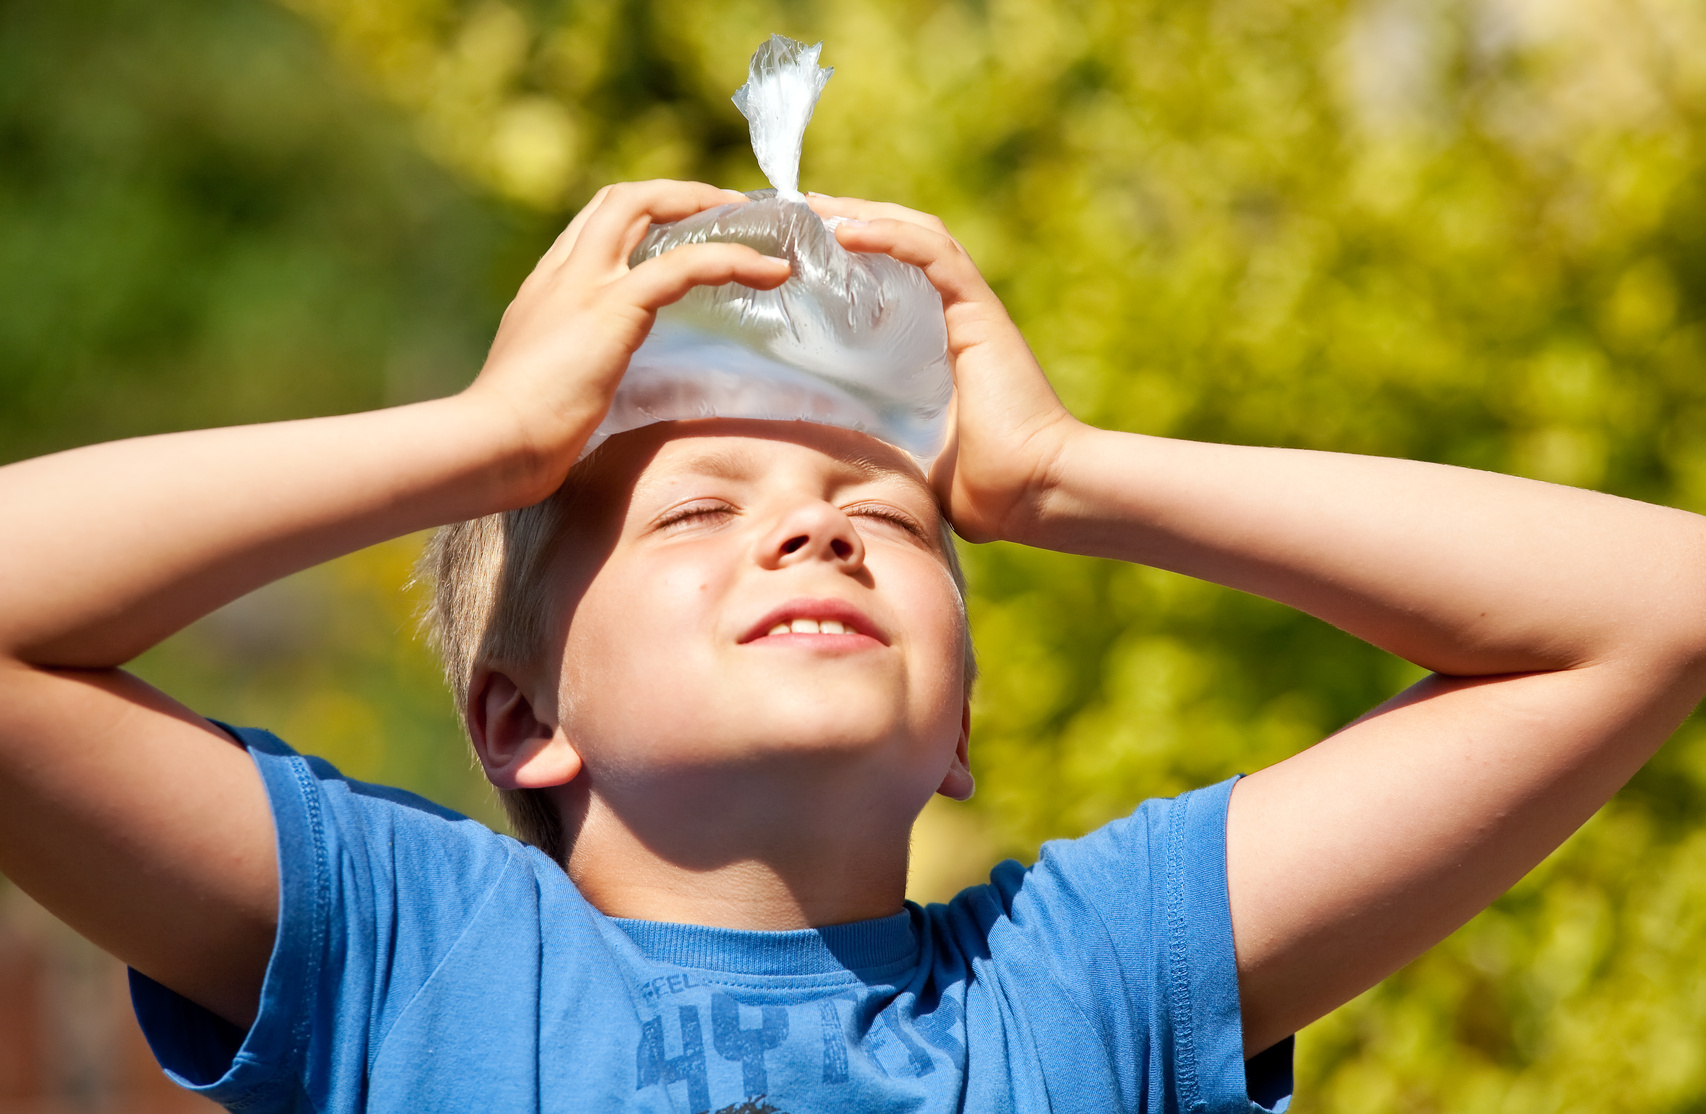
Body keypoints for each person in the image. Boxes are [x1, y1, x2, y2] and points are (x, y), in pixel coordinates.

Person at [1, 179, 1703, 1114]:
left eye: (886, 520)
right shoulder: (414, 952)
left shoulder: (1084, 973)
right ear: (521, 715)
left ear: (960, 723)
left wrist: (1067, 475)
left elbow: (1651, 610)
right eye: (693, 514)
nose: (811, 529)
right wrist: (488, 439)